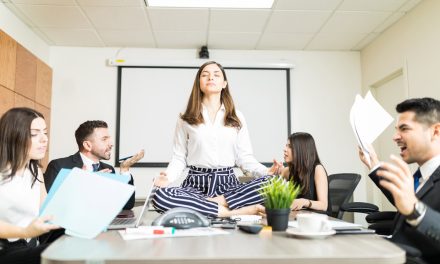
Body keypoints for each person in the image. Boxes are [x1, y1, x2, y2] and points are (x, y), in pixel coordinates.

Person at [152, 61, 282, 217]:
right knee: (159, 196)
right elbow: (179, 157)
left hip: (228, 185)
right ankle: (234, 212)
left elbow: (244, 158)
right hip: (195, 184)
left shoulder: (237, 116)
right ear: (199, 83)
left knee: (276, 183)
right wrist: (167, 178)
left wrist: (266, 171)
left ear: (224, 84)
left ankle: (207, 205)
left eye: (216, 75)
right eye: (205, 75)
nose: (210, 78)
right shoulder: (185, 116)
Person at [359, 97, 440, 263]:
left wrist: (415, 209)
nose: (395, 137)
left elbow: (412, 206)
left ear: (435, 131)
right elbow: (405, 201)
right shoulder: (421, 176)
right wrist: (374, 165)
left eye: (404, 129)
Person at [0, 107, 60, 264]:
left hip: (28, 244)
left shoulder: (35, 170)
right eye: (34, 134)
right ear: (14, 136)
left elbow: (46, 211)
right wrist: (25, 231)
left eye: (45, 132)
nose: (44, 139)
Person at [44, 120, 144, 210]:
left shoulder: (108, 169)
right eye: (104, 139)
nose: (111, 144)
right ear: (87, 145)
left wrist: (125, 169)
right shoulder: (58, 166)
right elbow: (50, 207)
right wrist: (86, 183)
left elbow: (127, 206)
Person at [280, 132, 330, 214]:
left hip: (316, 220)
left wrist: (304, 202)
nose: (285, 149)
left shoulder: (318, 169)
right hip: (298, 217)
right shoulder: (287, 171)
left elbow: (324, 205)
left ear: (302, 150)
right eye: (286, 145)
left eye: (290, 147)